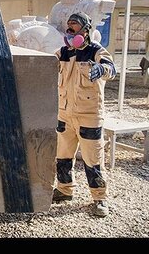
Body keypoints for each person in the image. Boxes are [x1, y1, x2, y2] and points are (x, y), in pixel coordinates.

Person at [52, 11, 116, 217]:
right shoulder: (62, 52)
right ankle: (64, 189)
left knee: (93, 160)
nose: (70, 29)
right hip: (65, 114)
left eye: (75, 26)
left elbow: (111, 68)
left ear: (85, 29)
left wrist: (101, 69)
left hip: (89, 115)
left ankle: (99, 198)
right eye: (68, 25)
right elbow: (44, 64)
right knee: (62, 156)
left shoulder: (96, 51)